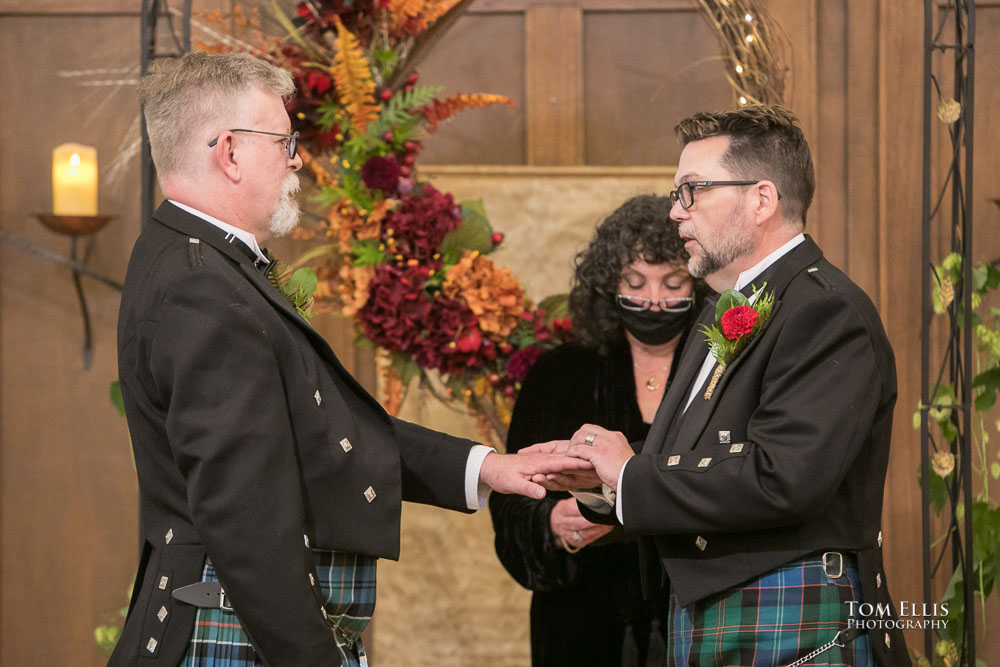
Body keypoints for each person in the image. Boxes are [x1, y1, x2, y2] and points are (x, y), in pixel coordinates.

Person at [111, 52, 587, 667]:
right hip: (237, 631)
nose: (296, 159)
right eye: (284, 140)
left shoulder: (197, 263)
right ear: (228, 152)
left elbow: (318, 426)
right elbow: (245, 518)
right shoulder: (203, 285)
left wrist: (487, 468)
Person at [528, 106, 910, 666]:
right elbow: (689, 461)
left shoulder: (825, 311)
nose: (675, 212)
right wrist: (602, 482)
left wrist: (631, 473)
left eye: (692, 190)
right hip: (719, 610)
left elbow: (785, 478)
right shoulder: (725, 311)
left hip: (789, 609)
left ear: (761, 199)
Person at [490, 195, 708, 665]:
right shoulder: (558, 373)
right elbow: (510, 506)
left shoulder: (721, 369)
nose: (653, 300)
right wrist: (550, 526)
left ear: (700, 283)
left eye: (673, 284)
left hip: (700, 617)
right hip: (580, 623)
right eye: (635, 283)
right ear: (609, 284)